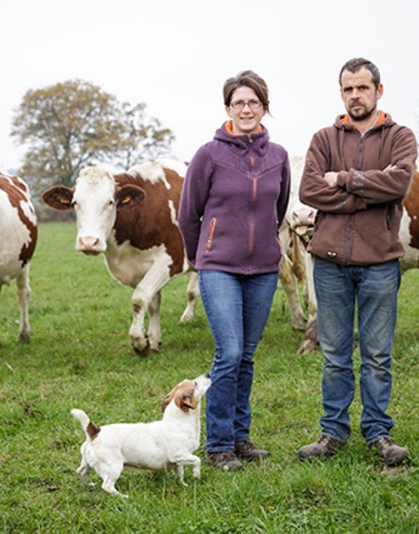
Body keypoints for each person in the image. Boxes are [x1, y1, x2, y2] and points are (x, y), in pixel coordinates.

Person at [297, 57, 417, 467]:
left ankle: (378, 433)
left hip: (380, 262)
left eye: (362, 88)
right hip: (329, 262)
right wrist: (369, 189)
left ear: (378, 90)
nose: (355, 95)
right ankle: (332, 433)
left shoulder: (400, 136)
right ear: (341, 92)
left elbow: (399, 183)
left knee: (378, 355)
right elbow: (310, 189)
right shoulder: (324, 138)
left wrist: (344, 179)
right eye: (348, 89)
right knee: (334, 354)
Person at [178, 70, 291, 471]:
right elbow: (188, 214)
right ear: (227, 108)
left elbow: (278, 210)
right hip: (219, 267)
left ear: (264, 107)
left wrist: (268, 246)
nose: (246, 108)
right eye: (239, 102)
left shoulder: (278, 156)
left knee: (247, 356)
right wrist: (202, 256)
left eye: (254, 102)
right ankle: (218, 445)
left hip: (262, 269)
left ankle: (241, 437)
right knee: (229, 353)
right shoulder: (209, 154)